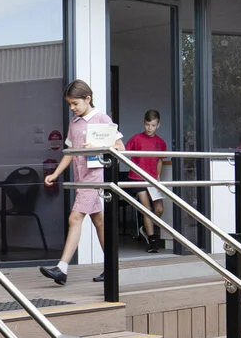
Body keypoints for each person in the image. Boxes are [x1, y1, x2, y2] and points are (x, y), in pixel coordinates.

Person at [41, 80, 122, 286]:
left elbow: (120, 147)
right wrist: (55, 174)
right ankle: (112, 266)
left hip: (94, 179)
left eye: (75, 103)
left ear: (87, 99)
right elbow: (70, 152)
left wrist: (98, 146)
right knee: (99, 222)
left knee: (75, 218)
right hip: (81, 179)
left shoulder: (101, 118)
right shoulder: (74, 123)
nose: (72, 108)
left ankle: (62, 268)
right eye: (69, 104)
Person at [124, 110, 170, 254]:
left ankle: (145, 228)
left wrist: (157, 177)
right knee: (146, 209)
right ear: (144, 123)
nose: (150, 128)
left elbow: (160, 161)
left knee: (159, 210)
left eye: (153, 125)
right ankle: (152, 241)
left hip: (152, 179)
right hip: (137, 178)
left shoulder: (160, 142)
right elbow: (124, 154)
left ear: (158, 125)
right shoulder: (136, 139)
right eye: (147, 124)